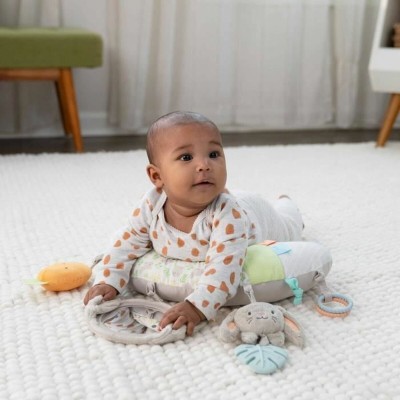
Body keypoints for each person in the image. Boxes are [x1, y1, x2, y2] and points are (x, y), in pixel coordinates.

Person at [84, 111, 303, 335]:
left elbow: (224, 269)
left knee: (291, 226)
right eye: (186, 157)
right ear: (157, 177)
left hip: (256, 214)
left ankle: (287, 203)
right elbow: (125, 245)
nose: (204, 165)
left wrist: (196, 307)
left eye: (214, 154)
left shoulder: (228, 216)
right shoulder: (151, 205)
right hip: (233, 198)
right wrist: (107, 281)